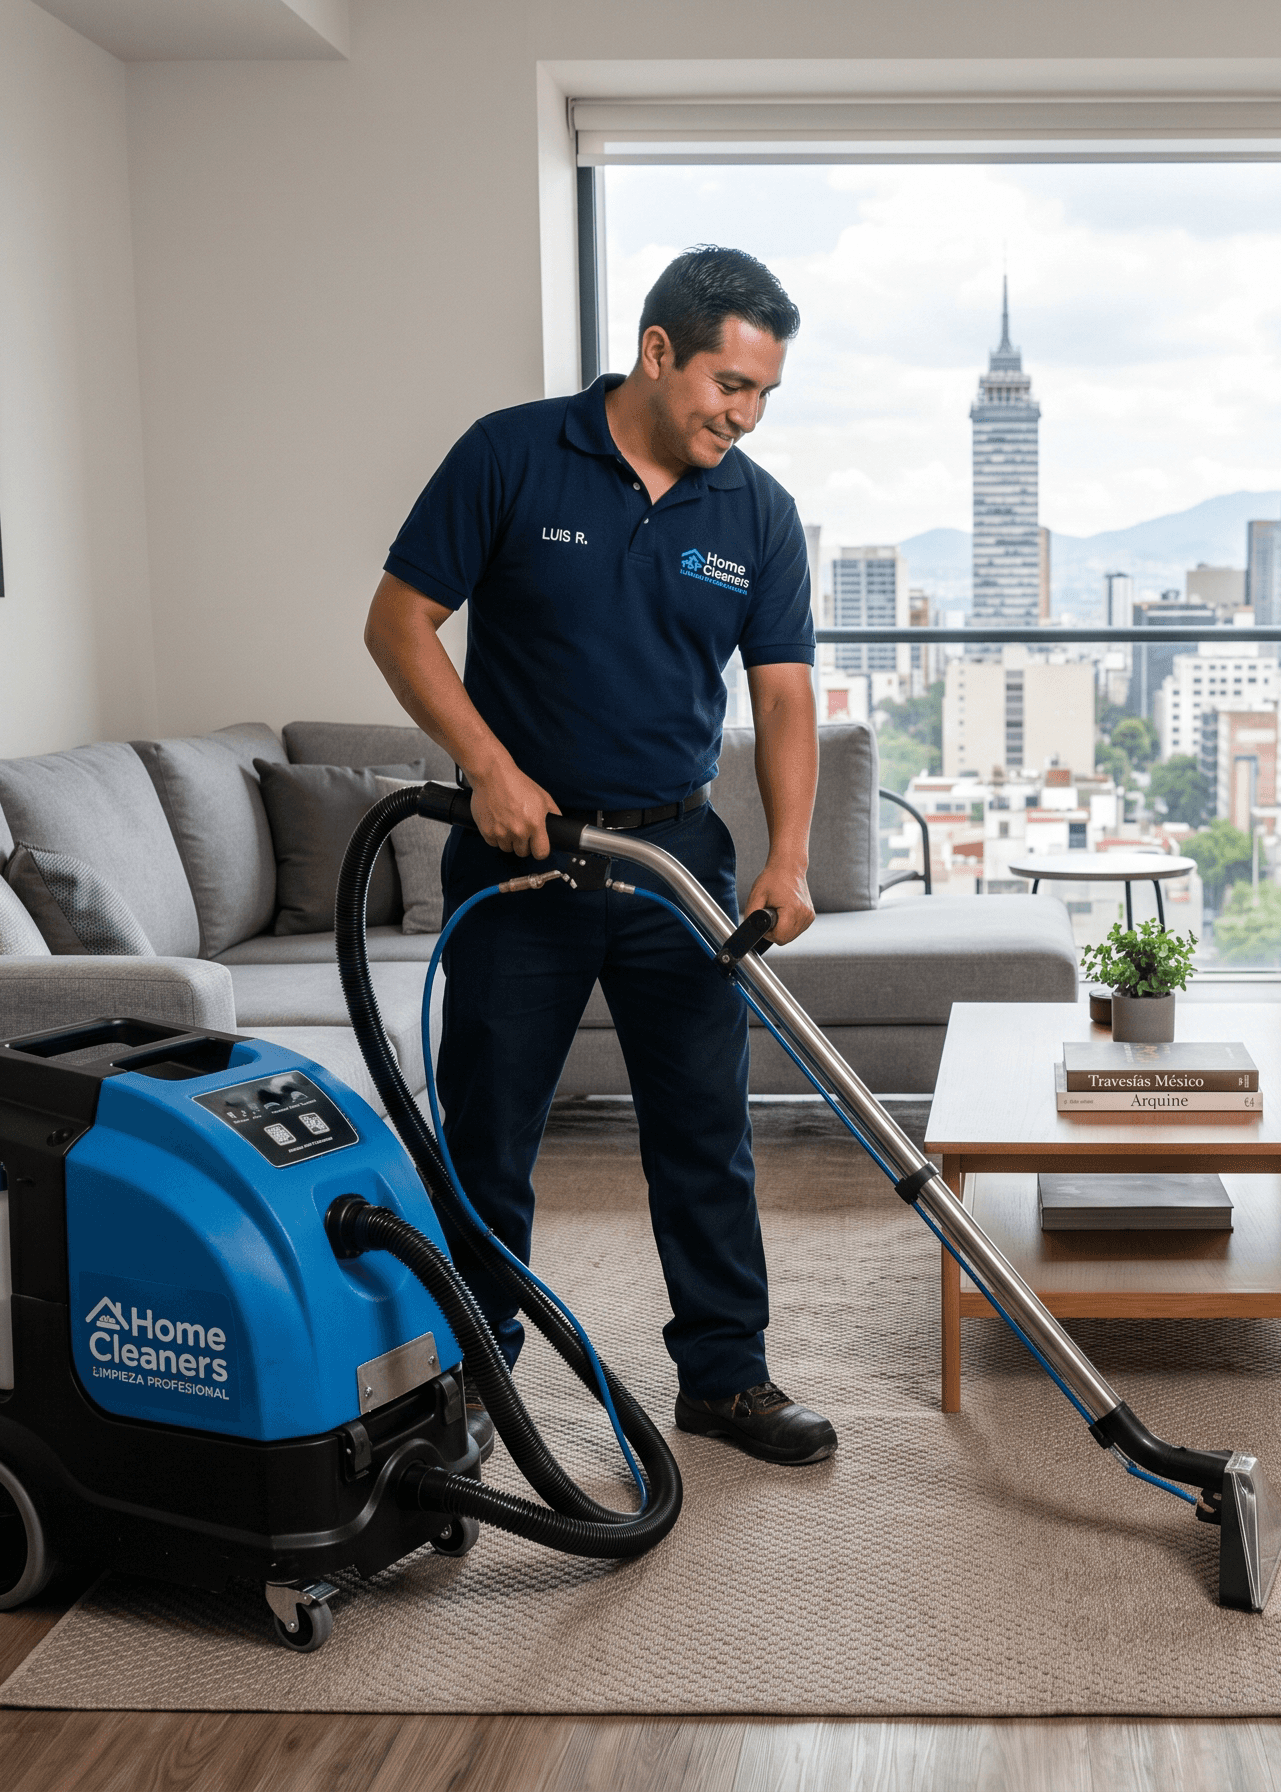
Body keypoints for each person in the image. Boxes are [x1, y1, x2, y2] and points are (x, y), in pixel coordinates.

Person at [362, 247, 836, 1465]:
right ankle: (481, 1379)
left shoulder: (758, 511)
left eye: (766, 394)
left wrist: (787, 856)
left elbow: (783, 698)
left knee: (702, 1130)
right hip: (527, 860)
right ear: (658, 349)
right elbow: (398, 622)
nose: (744, 414)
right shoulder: (512, 453)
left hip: (677, 859)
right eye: (730, 383)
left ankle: (725, 1378)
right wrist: (488, 765)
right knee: (490, 1134)